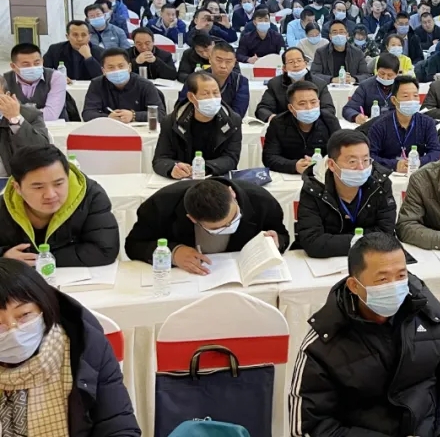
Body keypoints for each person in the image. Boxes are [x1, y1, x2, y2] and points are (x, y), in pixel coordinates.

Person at [289, 232, 440, 436]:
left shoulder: (431, 316)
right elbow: (310, 427)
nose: (394, 286)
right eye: (383, 279)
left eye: (401, 276)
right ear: (354, 286)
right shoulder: (323, 344)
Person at [0, 258, 139, 434]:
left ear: (44, 307)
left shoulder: (85, 348)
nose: (13, 329)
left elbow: (118, 425)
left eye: (24, 314)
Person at [126, 178, 289, 274]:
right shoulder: (160, 205)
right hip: (187, 281)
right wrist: (173, 253)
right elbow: (134, 245)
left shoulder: (262, 201)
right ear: (192, 219)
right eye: (218, 229)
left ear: (232, 193)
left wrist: (277, 242)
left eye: (234, 218)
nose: (229, 226)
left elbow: (282, 236)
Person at [0, 146, 119, 267]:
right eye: (38, 187)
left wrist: (42, 259)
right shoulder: (4, 206)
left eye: (58, 184)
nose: (50, 195)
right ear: (17, 188)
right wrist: (4, 256)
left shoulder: (91, 197)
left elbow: (104, 250)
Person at [295, 130, 397, 257]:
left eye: (365, 160)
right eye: (352, 162)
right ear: (332, 165)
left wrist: (338, 242)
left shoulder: (380, 183)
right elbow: (312, 241)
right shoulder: (314, 188)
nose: (361, 168)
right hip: (326, 262)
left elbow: (386, 234)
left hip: (371, 258)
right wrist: (363, 241)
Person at [153, 71, 242, 179]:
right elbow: (160, 159)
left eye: (215, 93)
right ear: (191, 97)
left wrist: (204, 168)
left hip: (217, 178)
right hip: (183, 180)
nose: (212, 98)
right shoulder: (172, 121)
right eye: (205, 94)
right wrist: (172, 168)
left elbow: (231, 158)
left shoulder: (232, 121)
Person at [263, 81, 341, 174]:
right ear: (291, 108)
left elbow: (341, 153)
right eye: (302, 103)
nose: (309, 107)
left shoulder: (330, 121)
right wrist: (294, 166)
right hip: (288, 175)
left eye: (313, 102)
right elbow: (269, 157)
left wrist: (322, 163)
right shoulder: (278, 123)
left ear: (319, 103)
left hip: (323, 174)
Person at [367, 76, 440, 172]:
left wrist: (418, 162)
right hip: (387, 174)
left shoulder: (427, 123)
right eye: (406, 96)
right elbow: (370, 156)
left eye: (415, 96)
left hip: (417, 172)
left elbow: (436, 151)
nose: (411, 100)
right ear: (394, 100)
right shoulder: (380, 126)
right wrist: (394, 165)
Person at [81, 48, 164, 123]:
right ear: (103, 71)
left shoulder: (145, 85)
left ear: (129, 67)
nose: (116, 70)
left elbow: (160, 114)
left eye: (121, 66)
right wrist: (107, 117)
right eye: (111, 67)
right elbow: (87, 113)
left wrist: (133, 115)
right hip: (108, 130)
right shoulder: (97, 84)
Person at [255, 47, 334, 122]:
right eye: (291, 62)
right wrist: (272, 117)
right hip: (283, 125)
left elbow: (329, 109)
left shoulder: (319, 84)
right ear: (284, 68)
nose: (296, 65)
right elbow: (262, 109)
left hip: (314, 124)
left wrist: (313, 117)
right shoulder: (275, 84)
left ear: (305, 63)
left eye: (299, 61)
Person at [6, 43, 66, 121]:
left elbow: (50, 115)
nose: (33, 67)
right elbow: (3, 115)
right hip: (17, 127)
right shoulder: (5, 80)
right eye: (26, 65)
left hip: (54, 126)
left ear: (42, 61)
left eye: (37, 63)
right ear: (13, 66)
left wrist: (15, 114)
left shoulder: (55, 77)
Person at [342, 53, 398, 124]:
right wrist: (356, 116)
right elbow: (348, 108)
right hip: (370, 125)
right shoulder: (365, 86)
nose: (385, 78)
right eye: (382, 73)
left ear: (397, 74)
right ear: (376, 70)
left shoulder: (402, 86)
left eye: (390, 75)